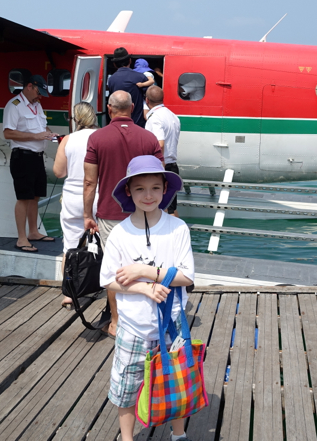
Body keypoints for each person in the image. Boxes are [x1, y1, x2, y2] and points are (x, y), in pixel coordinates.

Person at [100, 155, 195, 441]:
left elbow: (187, 276)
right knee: (125, 389)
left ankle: (178, 435)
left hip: (171, 326)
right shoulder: (120, 233)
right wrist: (143, 288)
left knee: (174, 383)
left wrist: (144, 271)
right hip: (132, 327)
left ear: (166, 189)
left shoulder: (178, 228)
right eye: (140, 188)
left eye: (155, 187)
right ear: (128, 191)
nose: (148, 195)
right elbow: (107, 278)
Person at [83, 90, 163, 336]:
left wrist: (88, 214)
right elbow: (161, 175)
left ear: (109, 108)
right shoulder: (148, 137)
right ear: (133, 108)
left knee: (114, 268)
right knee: (146, 262)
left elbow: (89, 181)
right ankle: (148, 317)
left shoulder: (97, 138)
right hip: (145, 212)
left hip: (110, 213)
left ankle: (117, 322)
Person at [3, 74, 58, 252]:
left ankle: (34, 232)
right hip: (22, 157)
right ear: (29, 86)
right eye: (38, 92)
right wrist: (35, 136)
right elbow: (8, 133)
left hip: (37, 156)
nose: (39, 96)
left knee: (35, 196)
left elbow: (42, 126)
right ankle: (21, 238)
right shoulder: (14, 106)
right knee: (24, 197)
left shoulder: (37, 105)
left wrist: (49, 134)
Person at [53, 102, 99, 307]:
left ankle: (69, 293)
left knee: (70, 246)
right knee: (104, 244)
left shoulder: (68, 140)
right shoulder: (102, 137)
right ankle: (102, 285)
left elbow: (59, 172)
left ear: (76, 119)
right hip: (98, 195)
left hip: (73, 196)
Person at [144, 86, 182, 217]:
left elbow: (160, 144)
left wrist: (158, 165)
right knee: (171, 208)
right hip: (173, 165)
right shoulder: (173, 116)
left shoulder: (154, 118)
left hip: (161, 166)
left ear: (147, 100)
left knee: (160, 208)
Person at [107, 47, 149, 127]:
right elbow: (149, 98)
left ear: (115, 64)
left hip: (118, 126)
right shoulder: (140, 77)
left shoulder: (111, 79)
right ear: (130, 60)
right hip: (138, 125)